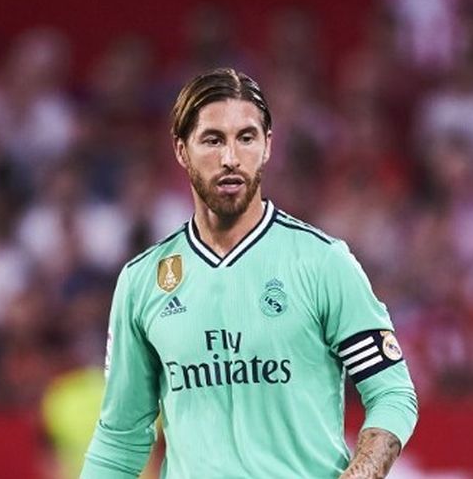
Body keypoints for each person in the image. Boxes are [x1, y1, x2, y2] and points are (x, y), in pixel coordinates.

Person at [81, 68, 418, 478]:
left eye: (246, 138)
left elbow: (392, 392)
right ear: (180, 150)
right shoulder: (142, 281)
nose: (230, 158)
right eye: (212, 139)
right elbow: (120, 438)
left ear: (268, 146)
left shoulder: (322, 262)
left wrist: (362, 472)